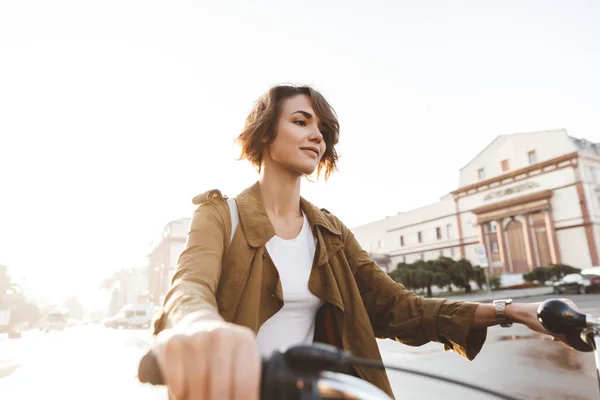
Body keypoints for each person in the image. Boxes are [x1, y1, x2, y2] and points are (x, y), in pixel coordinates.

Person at [150, 84, 574, 400]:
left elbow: (399, 307)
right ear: (263, 135)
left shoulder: (330, 231)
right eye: (300, 121)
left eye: (323, 129)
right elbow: (189, 286)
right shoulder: (220, 214)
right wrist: (197, 325)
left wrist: (513, 311)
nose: (317, 135)